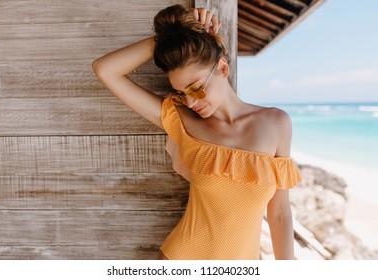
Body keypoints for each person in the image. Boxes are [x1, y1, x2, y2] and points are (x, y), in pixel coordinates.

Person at [92, 4, 302, 260]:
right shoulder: (183, 121)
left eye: (196, 88)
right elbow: (105, 70)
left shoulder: (276, 124)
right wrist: (171, 36)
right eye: (182, 93)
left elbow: (279, 213)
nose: (190, 102)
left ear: (223, 69)